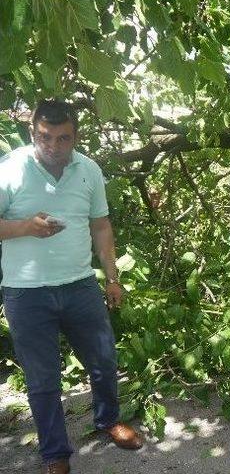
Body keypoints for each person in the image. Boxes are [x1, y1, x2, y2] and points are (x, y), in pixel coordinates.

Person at [0, 100, 143, 474]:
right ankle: (55, 454)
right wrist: (25, 227)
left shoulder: (88, 170)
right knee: (43, 379)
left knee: (104, 359)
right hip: (26, 292)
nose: (52, 146)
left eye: (63, 139)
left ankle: (107, 420)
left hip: (80, 285)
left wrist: (112, 277)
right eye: (44, 137)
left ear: (75, 137)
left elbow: (101, 225)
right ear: (33, 132)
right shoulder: (11, 169)